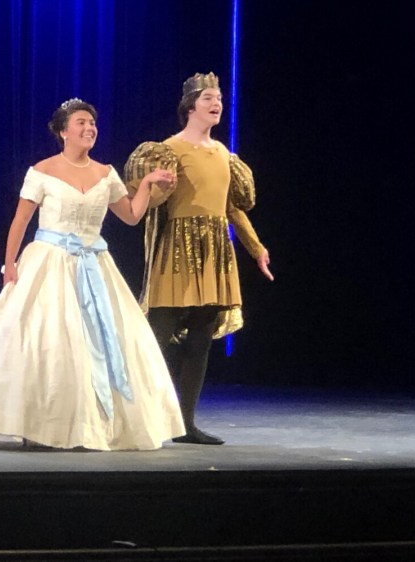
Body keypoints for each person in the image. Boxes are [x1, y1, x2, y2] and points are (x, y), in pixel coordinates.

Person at [0, 98, 184, 451]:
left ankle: (90, 424)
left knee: (100, 341)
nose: (89, 128)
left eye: (93, 123)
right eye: (81, 122)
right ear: (64, 131)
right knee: (45, 341)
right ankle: (37, 424)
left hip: (94, 266)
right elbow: (20, 222)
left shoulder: (106, 173)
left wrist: (146, 186)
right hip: (48, 264)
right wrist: (10, 268)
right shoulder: (43, 171)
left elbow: (130, 215)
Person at [126, 72, 274, 445]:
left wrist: (256, 249)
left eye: (220, 98)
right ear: (190, 105)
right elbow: (150, 205)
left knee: (200, 341)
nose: (217, 103)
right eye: (209, 97)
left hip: (214, 253)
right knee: (158, 338)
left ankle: (185, 423)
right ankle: (138, 417)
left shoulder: (224, 154)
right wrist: (157, 186)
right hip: (177, 249)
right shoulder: (167, 150)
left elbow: (231, 209)